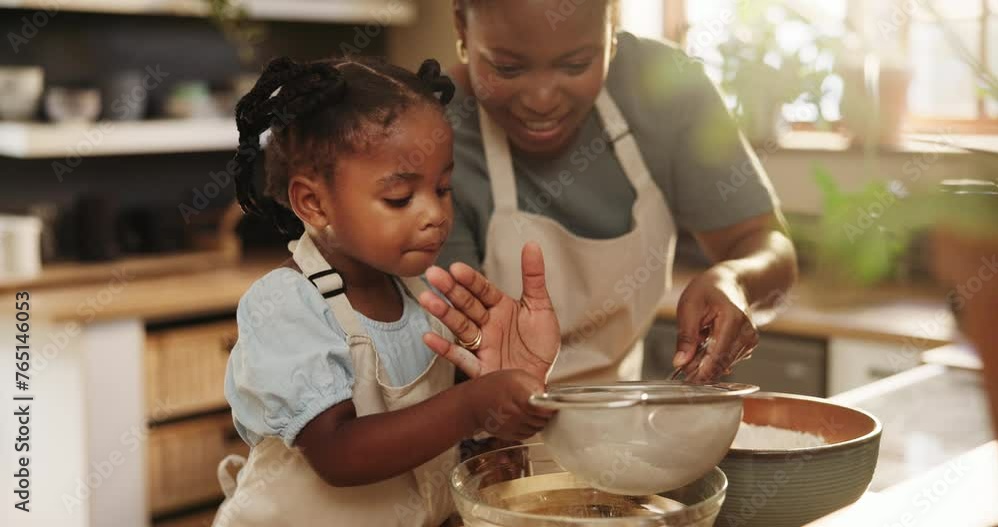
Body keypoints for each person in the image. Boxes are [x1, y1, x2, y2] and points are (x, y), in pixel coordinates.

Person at [212, 56, 557, 527]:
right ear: (313, 202)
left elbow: (452, 446)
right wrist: (473, 403)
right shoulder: (286, 305)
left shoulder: (426, 300)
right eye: (400, 198)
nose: (434, 213)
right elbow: (338, 455)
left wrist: (512, 399)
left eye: (443, 188)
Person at [435, 0, 799, 384]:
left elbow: (764, 243)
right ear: (461, 27)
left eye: (576, 64)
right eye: (507, 68)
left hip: (619, 423)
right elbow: (444, 354)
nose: (541, 100)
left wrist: (735, 281)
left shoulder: (667, 86)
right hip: (483, 435)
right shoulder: (435, 128)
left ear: (613, 25)